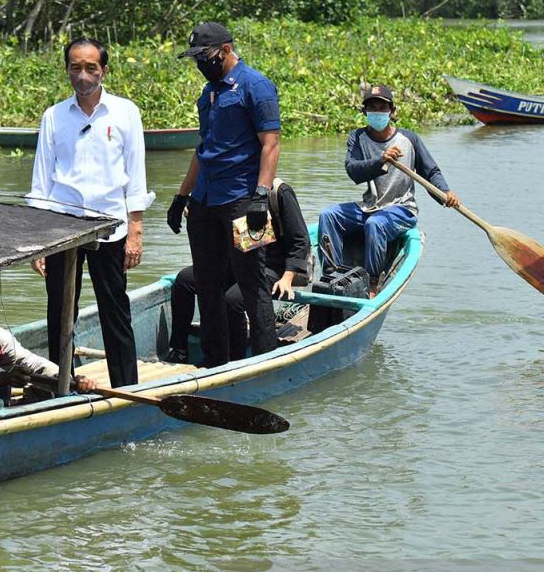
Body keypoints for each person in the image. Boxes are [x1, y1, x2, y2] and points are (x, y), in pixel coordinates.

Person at [29, 37, 151, 388]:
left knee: (115, 307)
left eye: (90, 68)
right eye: (75, 68)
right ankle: (59, 381)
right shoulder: (54, 116)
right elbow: (42, 180)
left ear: (103, 71)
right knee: (60, 309)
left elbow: (135, 174)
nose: (82, 75)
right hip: (60, 227)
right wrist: (37, 242)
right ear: (67, 70)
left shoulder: (125, 112)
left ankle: (126, 384)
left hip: (110, 225)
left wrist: (136, 229)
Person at [167, 22, 280, 367]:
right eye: (196, 58)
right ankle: (216, 361)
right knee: (207, 282)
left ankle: (264, 360)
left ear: (226, 51)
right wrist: (181, 196)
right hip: (205, 202)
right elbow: (204, 149)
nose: (201, 63)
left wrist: (261, 195)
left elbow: (271, 144)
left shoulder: (256, 86)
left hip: (244, 200)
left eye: (205, 56)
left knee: (253, 283)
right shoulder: (208, 92)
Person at [318, 85, 460, 296]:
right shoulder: (357, 138)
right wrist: (381, 160)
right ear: (364, 112)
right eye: (372, 108)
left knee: (376, 224)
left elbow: (430, 172)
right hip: (370, 206)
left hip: (401, 208)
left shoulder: (409, 140)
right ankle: (333, 276)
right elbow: (353, 171)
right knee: (328, 216)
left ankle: (372, 283)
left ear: (392, 111)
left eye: (382, 107)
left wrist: (445, 193)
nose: (377, 112)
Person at [165, 178, 311, 364]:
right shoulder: (227, 191)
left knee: (232, 301)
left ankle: (236, 360)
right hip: (236, 259)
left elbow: (300, 240)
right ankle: (179, 349)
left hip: (271, 266)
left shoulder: (278, 192)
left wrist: (288, 277)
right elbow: (235, 240)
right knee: (184, 280)